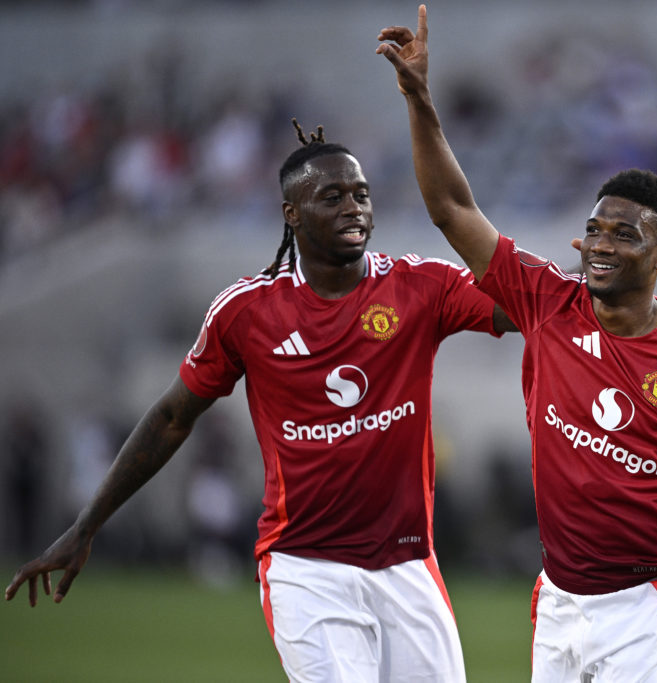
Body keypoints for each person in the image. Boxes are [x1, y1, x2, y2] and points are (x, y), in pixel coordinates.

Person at [5, 118, 515, 683]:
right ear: (291, 214)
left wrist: (607, 281)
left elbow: (529, 307)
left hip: (408, 565)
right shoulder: (246, 312)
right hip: (307, 569)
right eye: (333, 197)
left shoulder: (421, 287)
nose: (354, 208)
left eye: (361, 195)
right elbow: (173, 416)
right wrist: (87, 525)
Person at [377, 7, 657, 681]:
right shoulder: (546, 301)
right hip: (559, 599)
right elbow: (452, 210)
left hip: (645, 606)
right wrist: (420, 99)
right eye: (594, 228)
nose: (600, 243)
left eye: (624, 234)